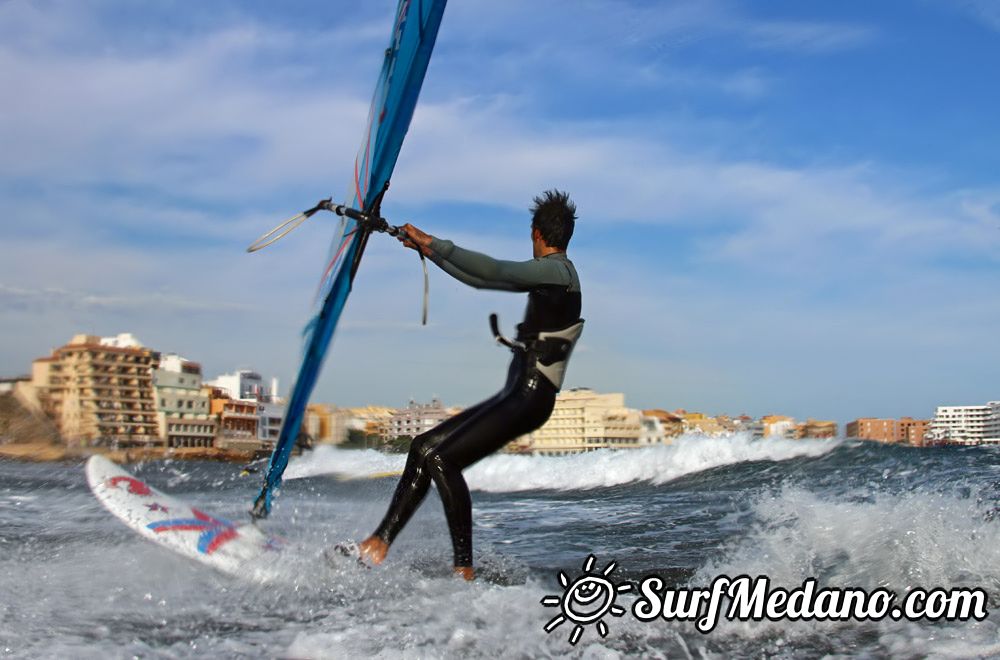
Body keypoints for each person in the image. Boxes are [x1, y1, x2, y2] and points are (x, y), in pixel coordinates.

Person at [356, 189, 584, 580]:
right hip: (520, 393)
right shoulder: (554, 277)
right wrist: (432, 255)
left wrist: (434, 242)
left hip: (529, 396)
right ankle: (378, 542)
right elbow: (480, 279)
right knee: (423, 447)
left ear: (536, 233)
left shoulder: (557, 272)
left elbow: (494, 270)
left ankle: (464, 568)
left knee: (442, 459)